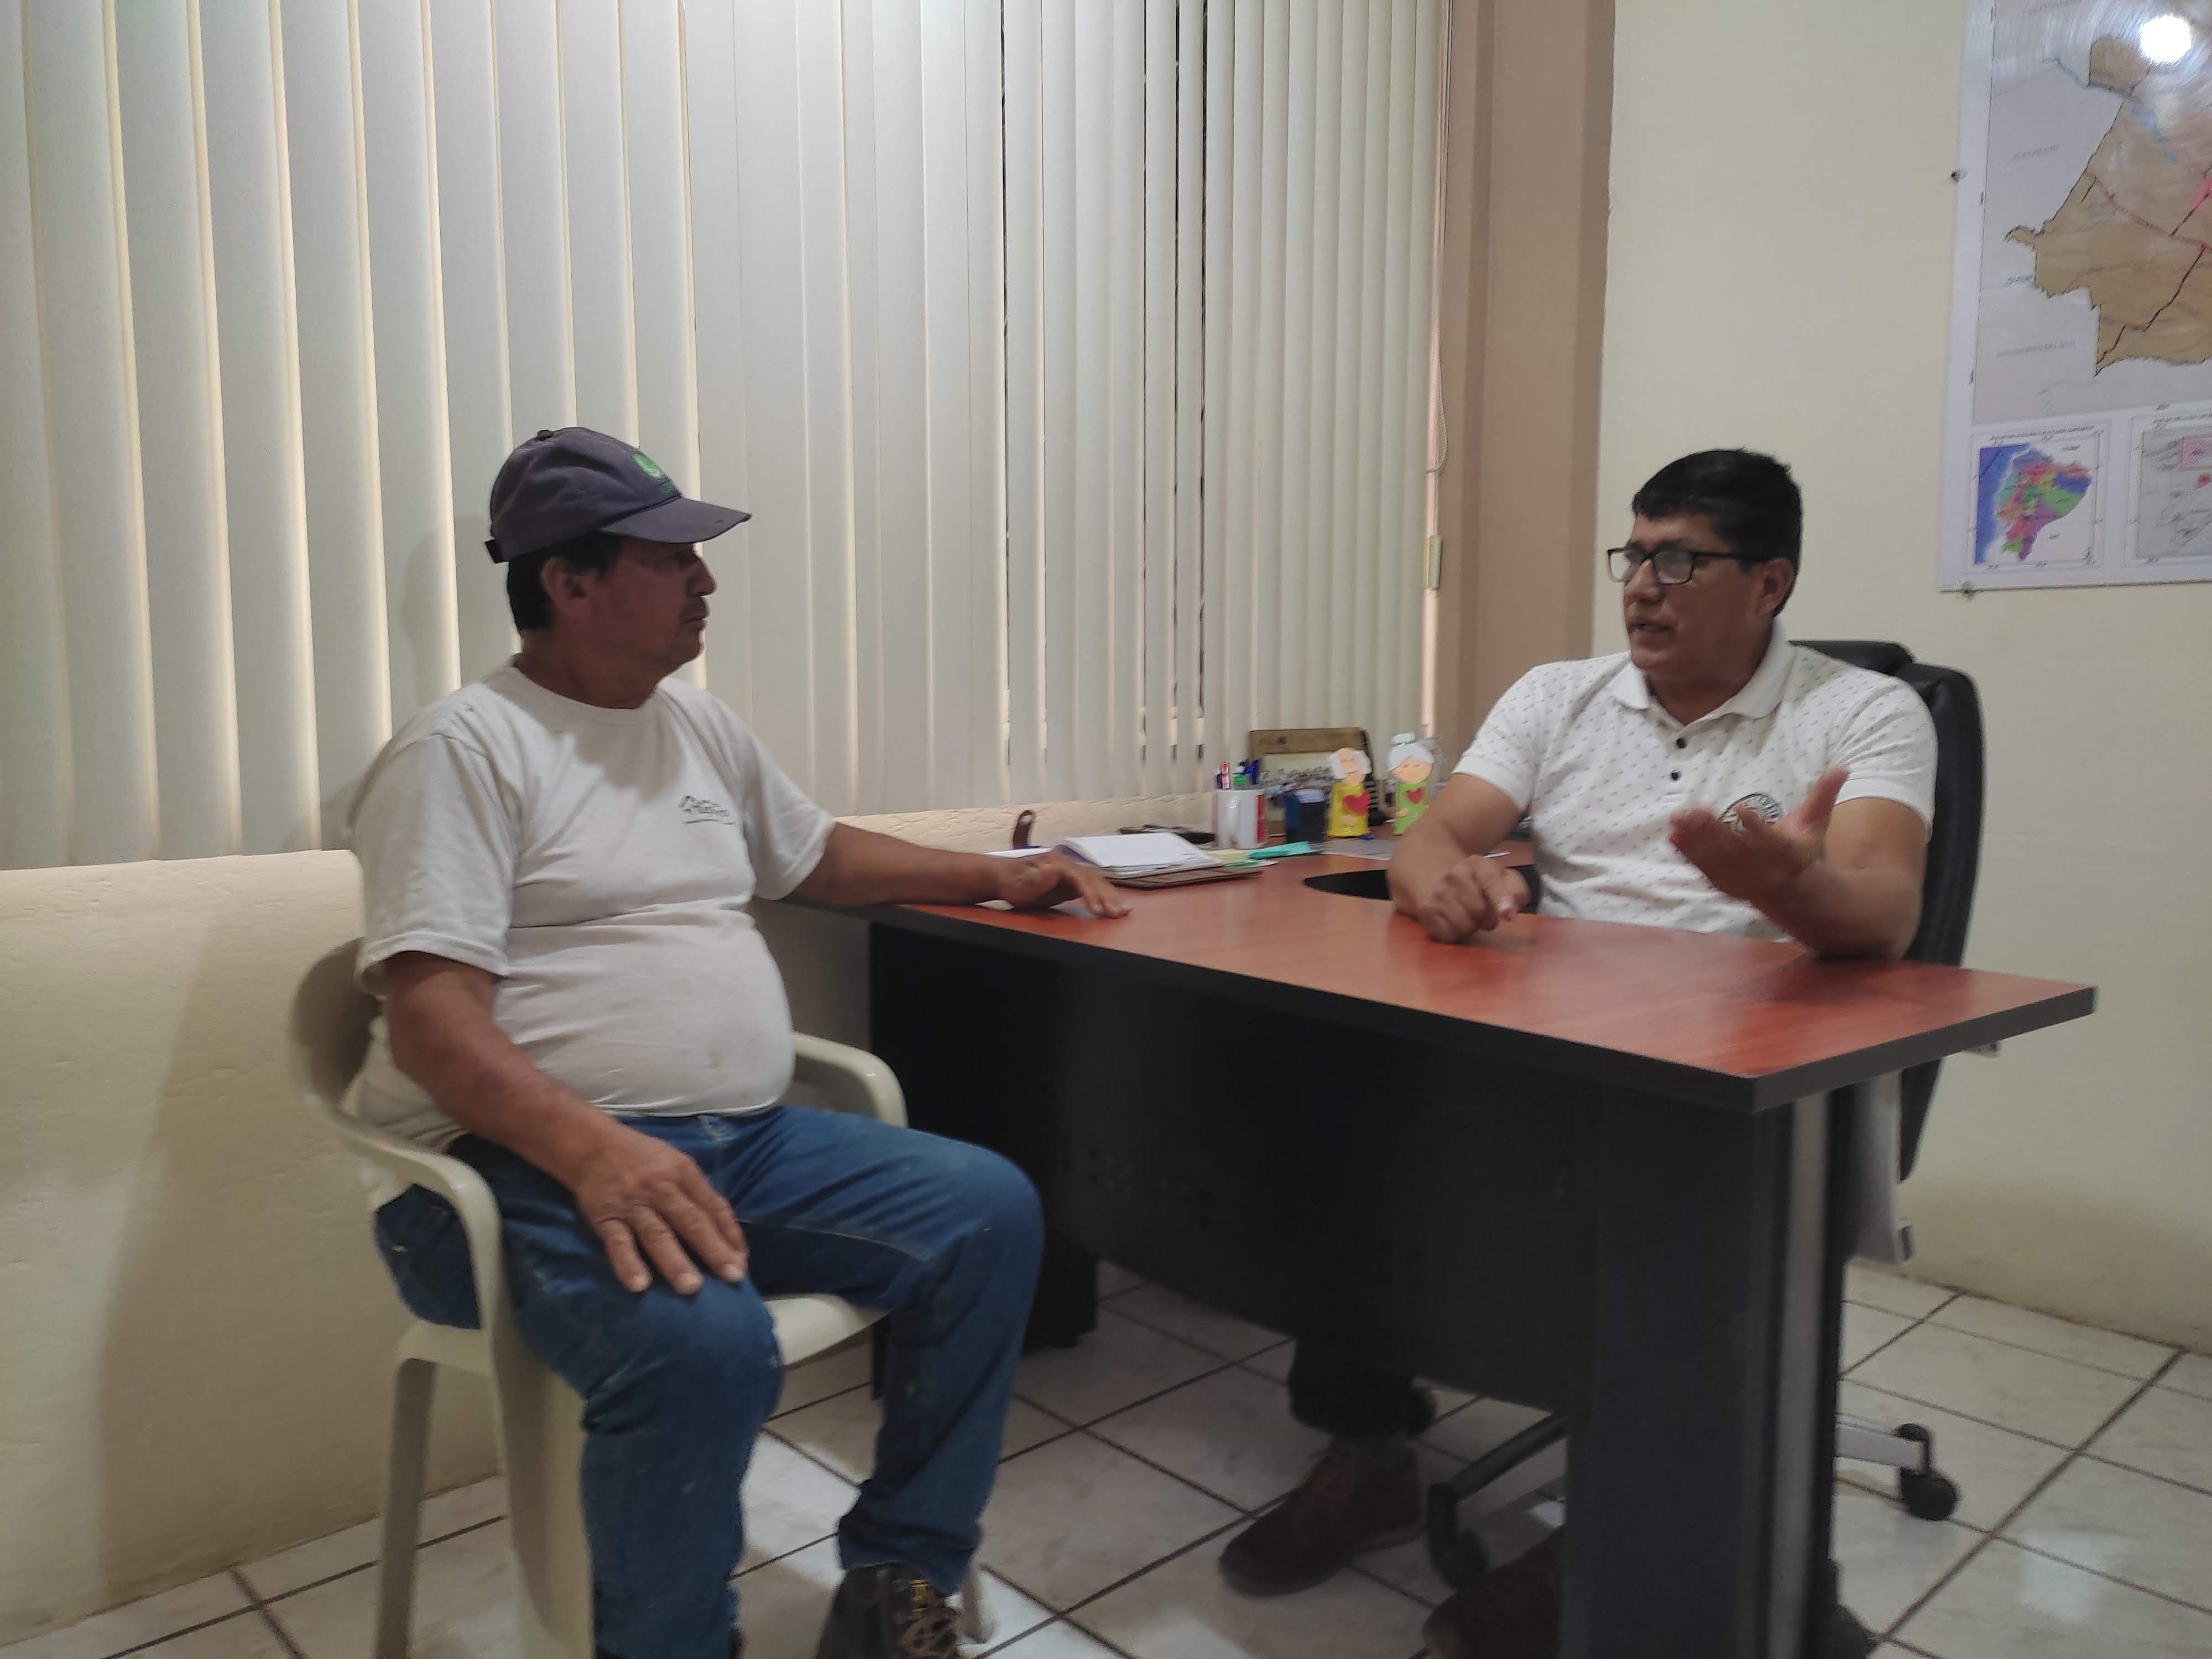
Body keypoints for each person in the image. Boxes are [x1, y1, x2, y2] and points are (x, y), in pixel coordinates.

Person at [346, 426, 1129, 1659]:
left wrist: (996, 873)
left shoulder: (695, 729)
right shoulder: (463, 750)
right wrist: (597, 1152)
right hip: (503, 1173)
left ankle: (899, 1581)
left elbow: (817, 856)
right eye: (672, 558)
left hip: (734, 1147)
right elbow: (432, 1024)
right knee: (706, 1348)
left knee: (989, 1214)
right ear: (570, 581)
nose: (706, 580)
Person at [1215, 449, 1936, 1659]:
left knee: (1665, 1223)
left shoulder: (1861, 712)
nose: (1642, 587)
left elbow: (1882, 913)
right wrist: (1439, 881)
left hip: (1735, 1083)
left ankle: (1615, 1528)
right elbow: (1431, 833)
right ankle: (1369, 1453)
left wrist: (1790, 887)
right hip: (1553, 1048)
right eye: (1634, 557)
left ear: (1769, 583)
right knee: (1358, 1133)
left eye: (1680, 561)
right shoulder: (1559, 695)